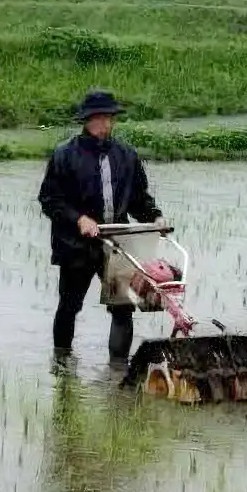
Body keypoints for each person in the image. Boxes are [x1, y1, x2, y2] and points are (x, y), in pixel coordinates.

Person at [38, 89, 167, 361]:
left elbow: (139, 199)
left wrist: (155, 217)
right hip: (78, 244)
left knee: (123, 307)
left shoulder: (126, 156)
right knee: (70, 306)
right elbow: (50, 199)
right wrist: (79, 219)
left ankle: (118, 370)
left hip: (117, 243)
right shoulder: (65, 155)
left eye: (109, 119)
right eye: (100, 119)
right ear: (86, 120)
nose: (106, 125)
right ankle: (62, 364)